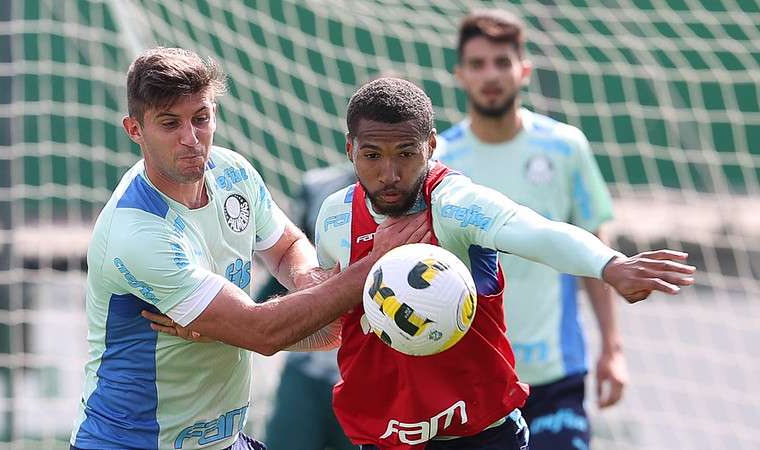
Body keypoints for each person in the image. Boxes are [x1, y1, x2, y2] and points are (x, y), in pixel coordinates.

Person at [149, 77, 695, 450]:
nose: (389, 172)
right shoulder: (337, 218)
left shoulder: (457, 204)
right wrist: (222, 327)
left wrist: (609, 265)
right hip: (385, 435)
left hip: (481, 434)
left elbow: (538, 232)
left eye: (405, 153)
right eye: (373, 155)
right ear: (349, 150)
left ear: (431, 146)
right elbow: (338, 326)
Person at [69, 47, 429, 450]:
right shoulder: (138, 232)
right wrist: (372, 266)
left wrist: (309, 282)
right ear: (135, 129)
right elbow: (264, 332)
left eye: (201, 119)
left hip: (221, 442)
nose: (191, 139)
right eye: (170, 124)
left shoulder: (232, 172)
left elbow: (287, 245)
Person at [434, 10, 624, 450]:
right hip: (474, 380)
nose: (491, 75)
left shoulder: (565, 147)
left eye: (502, 62)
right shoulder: (439, 159)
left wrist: (612, 347)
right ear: (459, 74)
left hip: (555, 372)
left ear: (524, 70)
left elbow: (594, 248)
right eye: (478, 64)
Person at [260, 164, 357, 450]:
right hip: (307, 370)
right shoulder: (318, 187)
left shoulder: (416, 201)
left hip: (368, 374)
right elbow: (287, 272)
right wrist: (243, 316)